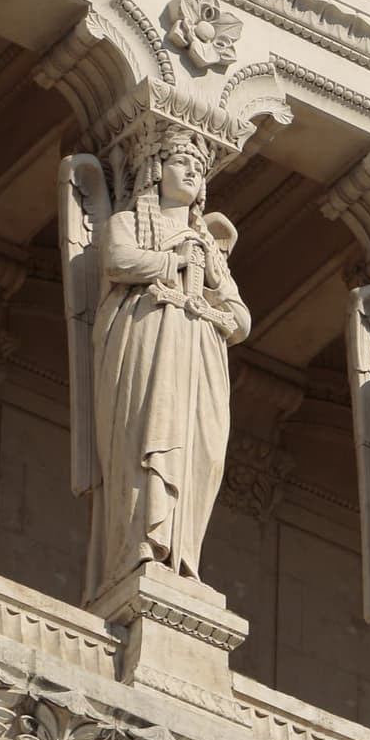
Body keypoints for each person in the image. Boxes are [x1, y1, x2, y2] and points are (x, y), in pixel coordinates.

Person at [89, 131, 248, 594]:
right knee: (148, 432)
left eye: (199, 166)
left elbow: (241, 319)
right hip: (150, 337)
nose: (194, 170)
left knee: (196, 448)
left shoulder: (210, 250)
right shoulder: (129, 221)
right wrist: (171, 261)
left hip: (198, 354)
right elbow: (119, 260)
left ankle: (181, 550)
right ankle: (141, 542)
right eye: (182, 160)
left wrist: (213, 294)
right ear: (157, 169)